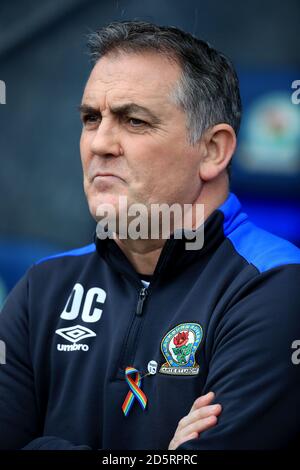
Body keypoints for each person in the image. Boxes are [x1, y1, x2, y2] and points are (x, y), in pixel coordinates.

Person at [0, 20, 300, 451]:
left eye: (134, 120)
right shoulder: (42, 288)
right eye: (90, 118)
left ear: (213, 150)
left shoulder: (276, 284)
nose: (100, 143)